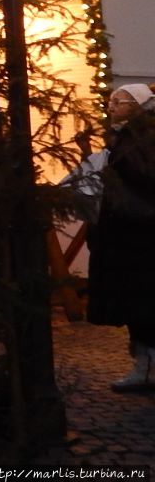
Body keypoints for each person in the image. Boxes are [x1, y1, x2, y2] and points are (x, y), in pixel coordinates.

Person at [87, 83, 155, 391]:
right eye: (111, 101)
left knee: (143, 302)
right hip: (132, 232)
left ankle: (147, 368)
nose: (112, 106)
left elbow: (142, 178)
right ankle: (145, 364)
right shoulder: (128, 137)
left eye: (120, 101)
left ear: (137, 106)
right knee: (139, 302)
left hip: (139, 235)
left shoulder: (140, 138)